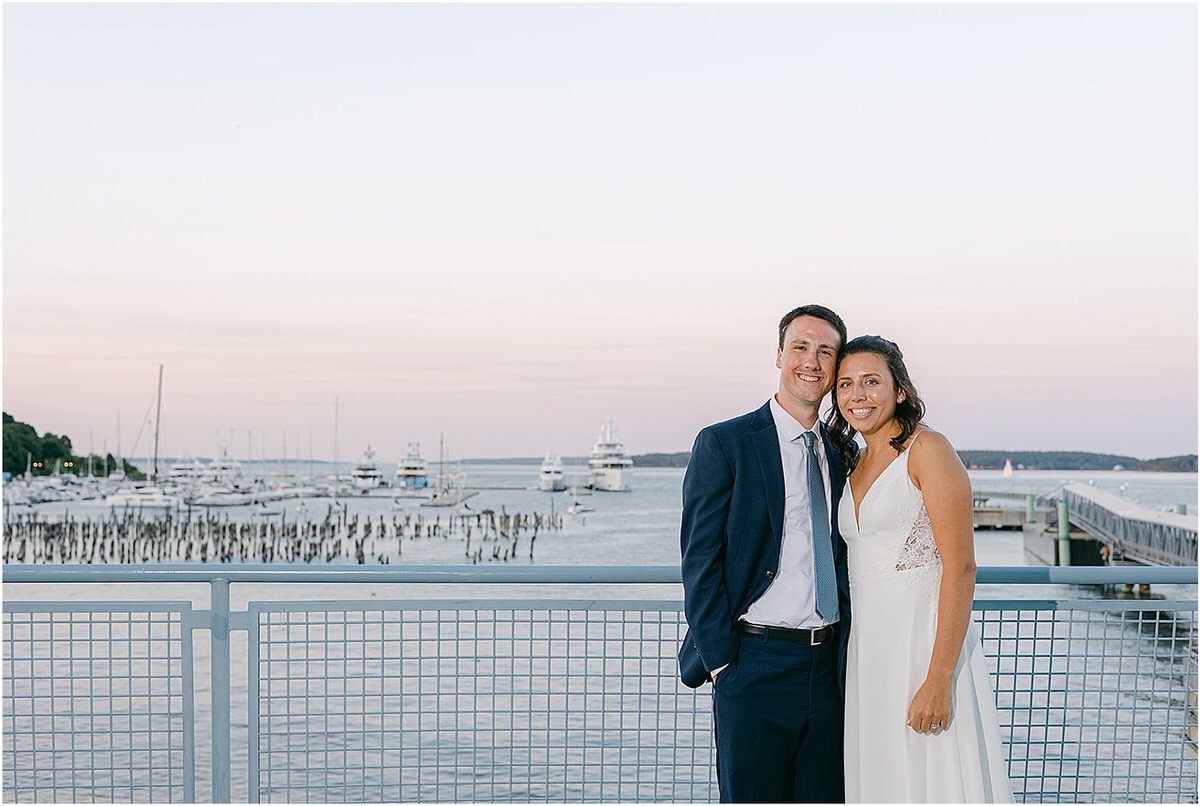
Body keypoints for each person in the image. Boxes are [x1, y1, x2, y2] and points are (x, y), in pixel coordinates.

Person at [827, 335, 1013, 802]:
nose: (858, 395)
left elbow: (962, 568)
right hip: (869, 652)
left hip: (921, 646)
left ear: (900, 390)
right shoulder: (851, 462)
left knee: (933, 775)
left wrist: (939, 679)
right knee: (883, 776)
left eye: (872, 382)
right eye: (846, 384)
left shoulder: (928, 449)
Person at [678, 304, 851, 803]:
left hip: (830, 670)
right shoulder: (725, 443)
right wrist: (722, 664)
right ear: (779, 355)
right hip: (754, 665)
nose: (812, 361)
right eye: (800, 347)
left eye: (826, 351)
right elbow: (700, 560)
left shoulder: (842, 454)